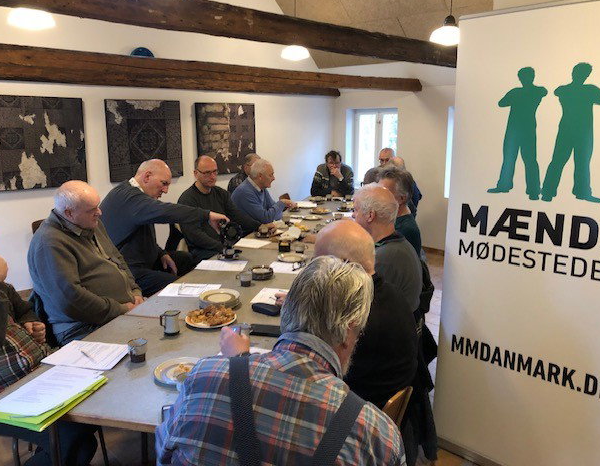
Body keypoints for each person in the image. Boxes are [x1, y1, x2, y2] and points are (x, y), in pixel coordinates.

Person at [156, 256, 405, 466]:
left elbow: (164, 452)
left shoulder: (202, 377)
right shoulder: (376, 436)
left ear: (286, 310)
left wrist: (239, 362)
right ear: (350, 329)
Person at [0, 214, 98, 466]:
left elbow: (24, 309)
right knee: (69, 436)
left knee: (85, 432)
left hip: (38, 373)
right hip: (0, 396)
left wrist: (31, 323)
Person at [313, 221, 418, 408]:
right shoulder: (387, 292)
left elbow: (318, 371)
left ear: (343, 264)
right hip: (377, 394)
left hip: (358, 410)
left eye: (319, 263)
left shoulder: (359, 318)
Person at [28, 181, 143, 345]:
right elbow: (71, 301)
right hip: (82, 326)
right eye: (92, 210)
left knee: (166, 327)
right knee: (147, 345)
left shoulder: (90, 223)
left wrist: (135, 291)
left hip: (120, 310)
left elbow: (118, 260)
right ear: (69, 213)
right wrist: (122, 309)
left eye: (97, 206)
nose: (99, 212)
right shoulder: (49, 243)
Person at [100, 159, 229, 296]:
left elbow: (141, 237)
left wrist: (161, 253)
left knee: (185, 259)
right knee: (178, 286)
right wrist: (207, 215)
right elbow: (166, 211)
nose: (166, 190)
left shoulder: (136, 197)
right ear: (147, 176)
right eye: (164, 183)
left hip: (144, 260)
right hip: (128, 271)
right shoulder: (129, 197)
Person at [178, 155, 275, 262]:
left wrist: (260, 226)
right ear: (196, 173)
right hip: (203, 251)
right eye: (207, 173)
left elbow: (237, 216)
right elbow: (194, 235)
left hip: (225, 245)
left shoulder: (221, 194)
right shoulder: (187, 200)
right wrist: (222, 247)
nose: (213, 176)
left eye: (215, 172)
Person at [542, 62, 600, 203]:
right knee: (578, 162)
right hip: (581, 132)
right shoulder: (589, 90)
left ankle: (549, 192)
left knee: (562, 161)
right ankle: (580, 192)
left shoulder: (565, 89)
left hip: (569, 130)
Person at [353, 183, 422, 313]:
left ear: (370, 215)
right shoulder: (397, 243)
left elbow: (359, 307)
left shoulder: (384, 258)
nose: (353, 215)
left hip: (393, 323)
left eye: (356, 210)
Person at [487, 67, 546, 200]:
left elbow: (502, 103)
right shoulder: (536, 91)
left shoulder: (517, 92)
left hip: (515, 130)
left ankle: (508, 186)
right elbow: (501, 103)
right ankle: (533, 190)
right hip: (525, 129)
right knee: (526, 160)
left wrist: (516, 97)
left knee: (514, 159)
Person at [231, 158, 295, 223]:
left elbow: (275, 212)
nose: (274, 178)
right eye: (271, 175)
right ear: (260, 176)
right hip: (246, 229)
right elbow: (266, 218)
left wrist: (275, 211)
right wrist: (282, 202)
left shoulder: (261, 187)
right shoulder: (244, 192)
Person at [378, 166, 423, 256]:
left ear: (401, 198)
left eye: (384, 193)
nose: (377, 197)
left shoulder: (405, 230)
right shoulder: (392, 218)